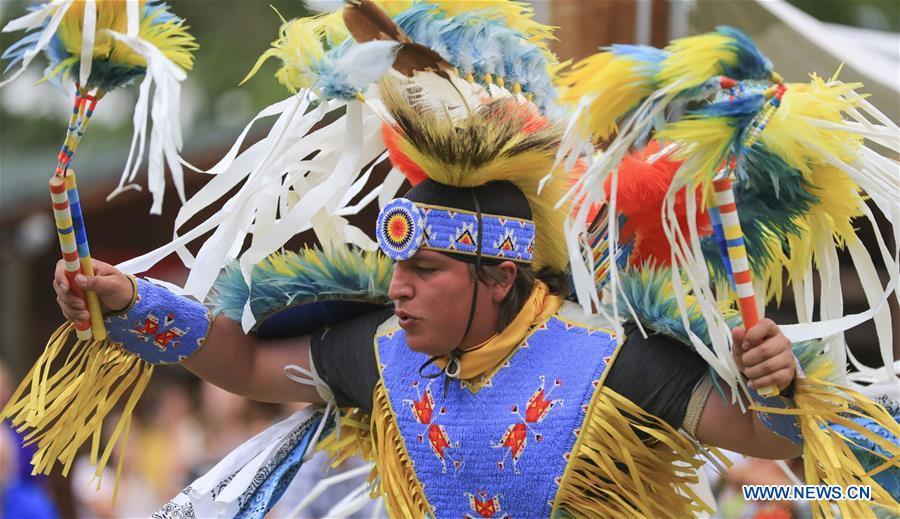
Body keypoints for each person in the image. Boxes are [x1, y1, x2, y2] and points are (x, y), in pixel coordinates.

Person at [52, 91, 810, 517]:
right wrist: (130, 301)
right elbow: (245, 361)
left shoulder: (606, 353)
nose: (399, 287)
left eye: (425, 268)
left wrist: (775, 379)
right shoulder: (383, 351)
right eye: (396, 267)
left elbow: (767, 439)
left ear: (500, 277)